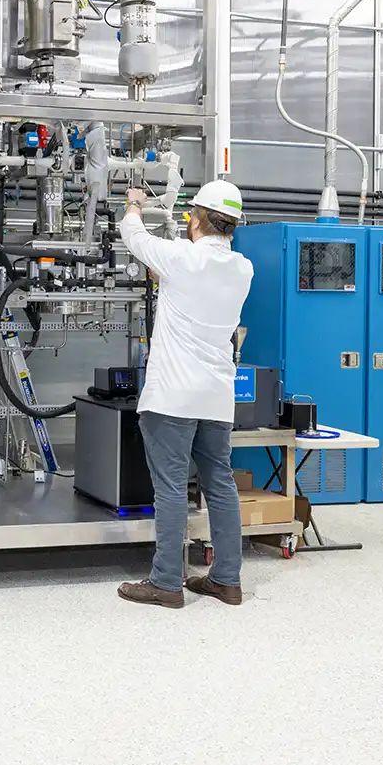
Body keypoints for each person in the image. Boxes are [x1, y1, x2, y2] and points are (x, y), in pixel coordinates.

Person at [115, 181, 254, 609]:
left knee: (172, 488)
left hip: (172, 396)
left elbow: (133, 237)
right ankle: (227, 580)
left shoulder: (180, 258)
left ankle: (167, 583)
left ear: (196, 219)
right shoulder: (242, 268)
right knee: (220, 484)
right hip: (216, 397)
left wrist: (135, 204)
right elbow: (195, 275)